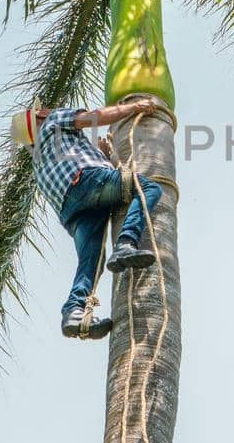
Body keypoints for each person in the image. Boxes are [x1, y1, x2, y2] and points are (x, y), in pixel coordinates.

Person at [12, 98, 165, 339]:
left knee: (91, 262)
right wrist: (134, 107)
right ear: (39, 116)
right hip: (84, 182)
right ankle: (126, 243)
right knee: (149, 189)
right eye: (42, 109)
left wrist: (105, 156)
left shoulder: (38, 159)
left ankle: (74, 312)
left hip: (72, 212)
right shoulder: (54, 120)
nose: (47, 109)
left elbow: (85, 168)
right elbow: (96, 117)